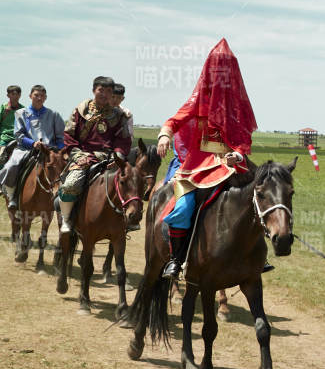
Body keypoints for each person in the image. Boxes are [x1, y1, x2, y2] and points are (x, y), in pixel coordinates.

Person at [154, 40, 256, 279]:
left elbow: (243, 139)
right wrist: (164, 136)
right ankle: (177, 260)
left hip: (231, 166)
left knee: (258, 201)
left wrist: (238, 154)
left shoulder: (237, 106)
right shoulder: (198, 101)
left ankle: (256, 257)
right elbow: (173, 121)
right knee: (182, 208)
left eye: (227, 69)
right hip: (198, 167)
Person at [57, 75, 133, 233]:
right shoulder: (81, 110)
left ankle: (128, 221)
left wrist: (117, 156)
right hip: (83, 156)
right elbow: (69, 135)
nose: (104, 94)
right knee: (71, 184)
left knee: (130, 184)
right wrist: (78, 155)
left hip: (109, 159)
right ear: (93, 90)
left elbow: (123, 140)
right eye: (101, 90)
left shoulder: (119, 116)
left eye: (108, 91)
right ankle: (66, 219)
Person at [0, 85, 65, 209]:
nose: (39, 98)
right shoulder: (21, 113)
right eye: (36, 95)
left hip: (49, 151)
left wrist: (60, 151)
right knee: (10, 166)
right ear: (30, 96)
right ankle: (12, 196)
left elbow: (61, 137)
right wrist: (33, 143)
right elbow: (18, 134)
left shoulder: (54, 115)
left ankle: (64, 198)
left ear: (45, 98)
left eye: (42, 96)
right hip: (26, 149)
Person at [0, 85, 23, 186]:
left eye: (17, 94)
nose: (15, 96)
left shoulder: (24, 110)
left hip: (20, 139)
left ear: (20, 95)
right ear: (8, 95)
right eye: (13, 94)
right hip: (5, 139)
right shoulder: (1, 109)